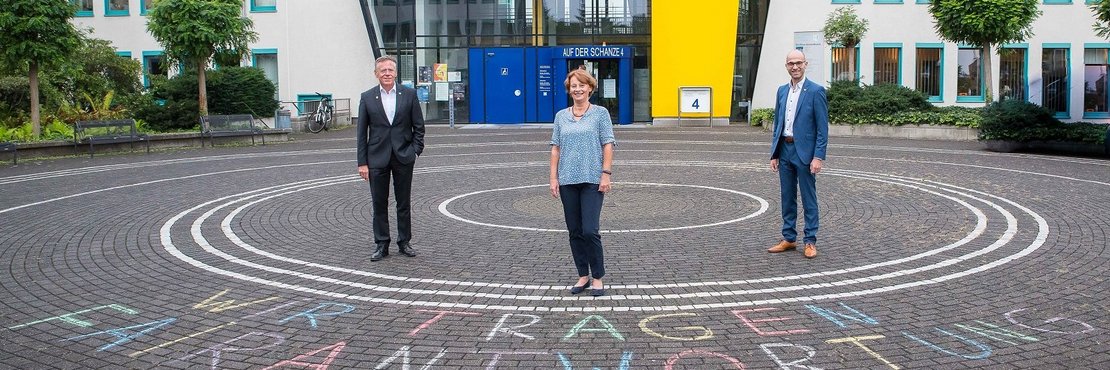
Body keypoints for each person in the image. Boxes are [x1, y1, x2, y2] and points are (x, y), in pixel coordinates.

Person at [549, 69, 615, 297]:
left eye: (581, 85)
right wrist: (553, 178)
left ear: (590, 88)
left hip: (592, 179)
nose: (577, 89)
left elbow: (608, 143)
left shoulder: (600, 114)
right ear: (569, 90)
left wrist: (606, 173)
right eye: (573, 86)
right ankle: (582, 275)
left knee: (590, 230)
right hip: (567, 180)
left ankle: (597, 277)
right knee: (574, 230)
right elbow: (556, 148)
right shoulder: (561, 116)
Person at [357, 55, 426, 262]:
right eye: (383, 70)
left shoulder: (409, 94)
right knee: (379, 203)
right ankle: (381, 244)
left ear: (396, 73)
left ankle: (404, 241)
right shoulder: (367, 97)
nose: (387, 73)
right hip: (376, 158)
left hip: (403, 156)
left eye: (390, 70)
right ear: (376, 74)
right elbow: (362, 133)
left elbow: (419, 127)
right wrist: (362, 163)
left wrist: (414, 150)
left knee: (403, 202)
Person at [768, 49, 828, 259]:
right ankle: (789, 238)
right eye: (791, 63)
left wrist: (818, 156)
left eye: (798, 63)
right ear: (786, 66)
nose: (795, 67)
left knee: (808, 197)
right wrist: (774, 153)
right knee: (787, 197)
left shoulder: (815, 91)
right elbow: (778, 123)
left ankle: (810, 241)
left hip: (805, 153)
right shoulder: (782, 91)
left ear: (805, 64)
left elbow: (822, 128)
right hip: (785, 149)